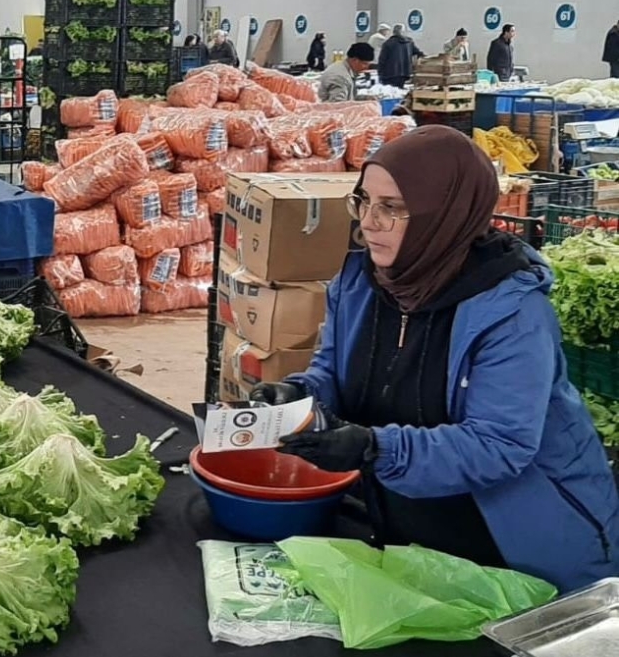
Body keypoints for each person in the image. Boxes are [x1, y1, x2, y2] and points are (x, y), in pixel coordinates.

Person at [252, 126, 619, 593]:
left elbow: (500, 444)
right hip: (407, 530)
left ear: (444, 214)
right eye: (363, 201)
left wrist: (375, 449)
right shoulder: (363, 281)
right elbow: (335, 370)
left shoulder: (511, 311)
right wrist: (301, 391)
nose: (369, 222)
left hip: (514, 550)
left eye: (392, 208)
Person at [377, 25, 415, 89]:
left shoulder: (388, 43)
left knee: (390, 93)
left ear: (393, 32)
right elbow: (418, 53)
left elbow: (382, 59)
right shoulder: (409, 42)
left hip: (389, 75)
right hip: (405, 74)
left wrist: (380, 72)